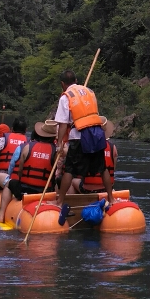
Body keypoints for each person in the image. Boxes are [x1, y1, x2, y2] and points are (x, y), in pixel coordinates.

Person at [53, 72, 114, 224]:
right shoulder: (90, 92)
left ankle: (59, 202)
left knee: (70, 170)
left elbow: (62, 123)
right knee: (103, 168)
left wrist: (60, 143)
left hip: (79, 135)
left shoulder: (66, 96)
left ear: (62, 84)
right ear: (76, 80)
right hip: (97, 133)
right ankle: (111, 198)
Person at [0, 120, 57, 224]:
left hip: (25, 190)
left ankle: (1, 214)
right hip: (45, 192)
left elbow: (20, 170)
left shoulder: (27, 147)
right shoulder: (56, 153)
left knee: (9, 184)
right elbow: (56, 173)